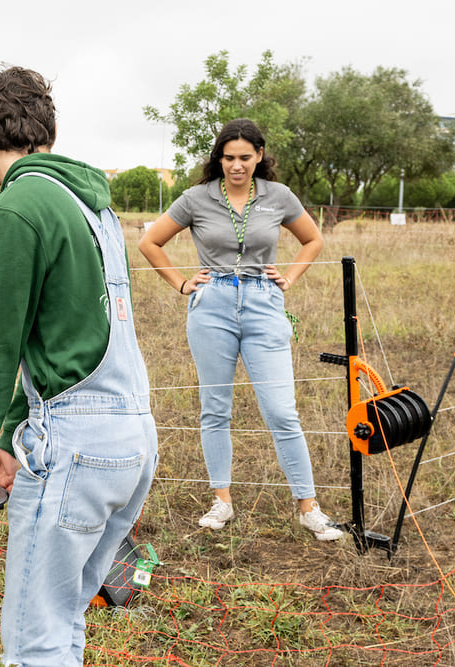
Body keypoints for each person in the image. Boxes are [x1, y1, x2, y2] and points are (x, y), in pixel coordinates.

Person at [0, 66, 158, 666]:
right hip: (130, 436)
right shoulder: (93, 206)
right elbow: (56, 335)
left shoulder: (17, 207)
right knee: (63, 621)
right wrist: (8, 434)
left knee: (33, 640)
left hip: (76, 445)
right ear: (48, 132)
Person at [138, 118, 343, 542]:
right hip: (211, 307)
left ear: (259, 156)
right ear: (219, 158)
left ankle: (309, 508)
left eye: (245, 157)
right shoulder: (196, 198)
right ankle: (222, 502)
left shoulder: (278, 196)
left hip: (264, 305)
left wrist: (290, 275)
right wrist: (181, 282)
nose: (236, 165)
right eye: (228, 158)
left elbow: (313, 240)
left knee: (282, 411)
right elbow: (149, 242)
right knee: (216, 409)